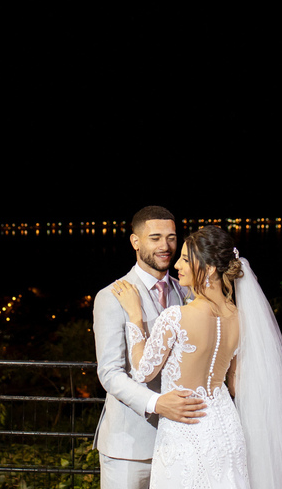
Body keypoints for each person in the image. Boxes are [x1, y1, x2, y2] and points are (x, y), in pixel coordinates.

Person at [111, 225, 282, 489]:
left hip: (185, 428)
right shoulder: (240, 317)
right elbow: (234, 385)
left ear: (207, 269)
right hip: (226, 430)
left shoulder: (176, 317)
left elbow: (142, 371)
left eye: (186, 259)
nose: (177, 266)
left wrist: (135, 317)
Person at [93, 206, 208, 489]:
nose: (165, 246)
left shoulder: (187, 291)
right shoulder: (111, 296)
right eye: (155, 238)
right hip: (129, 447)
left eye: (171, 238)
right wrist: (157, 404)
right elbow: (109, 373)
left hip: (180, 440)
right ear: (136, 242)